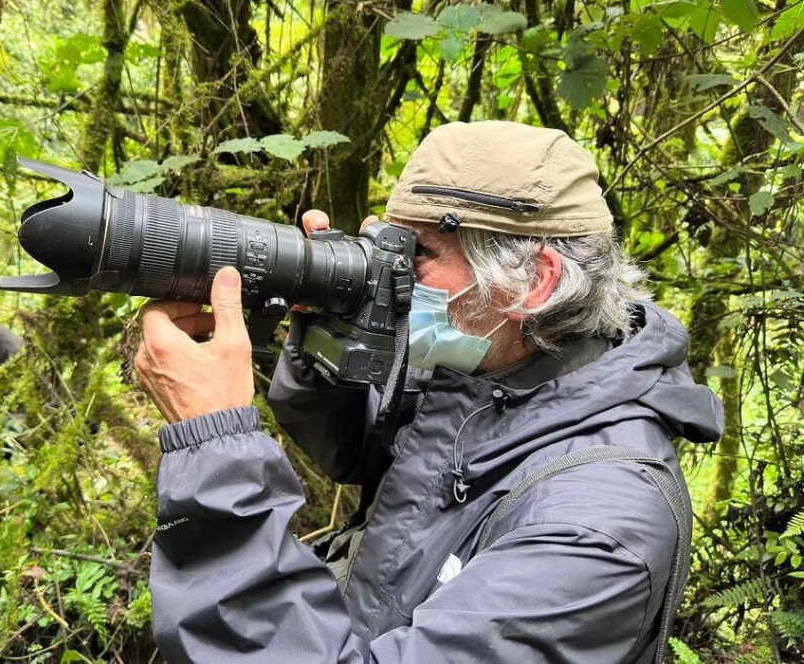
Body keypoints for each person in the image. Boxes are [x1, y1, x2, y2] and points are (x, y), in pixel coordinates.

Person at [135, 121, 723, 663]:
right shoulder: (491, 365)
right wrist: (328, 323)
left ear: (533, 283)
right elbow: (350, 453)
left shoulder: (596, 530)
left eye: (416, 256)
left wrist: (215, 444)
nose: (390, 273)